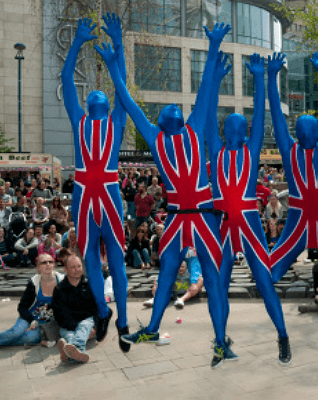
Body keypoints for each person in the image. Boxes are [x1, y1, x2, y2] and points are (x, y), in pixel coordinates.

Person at [98, 23, 233, 367]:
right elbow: (127, 100)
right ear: (160, 121)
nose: (174, 106)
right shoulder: (163, 136)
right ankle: (154, 328)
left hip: (202, 214)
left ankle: (220, 341)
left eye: (177, 106)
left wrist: (214, 43)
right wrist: (115, 62)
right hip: (178, 217)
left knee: (214, 280)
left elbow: (204, 90)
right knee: (168, 273)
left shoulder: (189, 129)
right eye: (169, 107)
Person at [206, 53, 291, 365]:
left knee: (264, 280)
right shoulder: (215, 149)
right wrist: (214, 79)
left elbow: (259, 114)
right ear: (224, 130)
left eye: (239, 128)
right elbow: (207, 114)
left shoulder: (250, 150)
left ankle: (282, 335)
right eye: (230, 127)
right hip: (224, 224)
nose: (236, 131)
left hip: (250, 223)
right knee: (218, 285)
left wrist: (259, 77)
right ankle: (219, 341)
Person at [62, 15, 129, 351]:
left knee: (115, 259)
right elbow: (67, 80)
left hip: (108, 193)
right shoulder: (80, 120)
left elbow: (123, 90)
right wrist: (76, 42)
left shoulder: (115, 122)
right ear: (90, 104)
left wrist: (117, 48)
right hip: (86, 194)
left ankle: (123, 318)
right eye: (95, 99)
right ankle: (103, 312)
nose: (100, 101)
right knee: (89, 256)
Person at [266, 52, 318, 293]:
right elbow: (277, 114)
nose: (306, 133)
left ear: (317, 131)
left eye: (310, 128)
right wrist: (271, 77)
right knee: (274, 266)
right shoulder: (291, 150)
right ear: (298, 133)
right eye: (301, 129)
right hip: (300, 217)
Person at [53, 255, 99, 363]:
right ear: (65, 269)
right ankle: (75, 352)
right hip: (68, 327)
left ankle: (69, 350)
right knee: (72, 334)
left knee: (85, 324)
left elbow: (97, 309)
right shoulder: (59, 289)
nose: (77, 270)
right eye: (73, 267)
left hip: (89, 324)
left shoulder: (90, 285)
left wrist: (95, 328)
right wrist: (76, 327)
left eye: (79, 266)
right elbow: (59, 314)